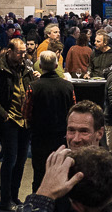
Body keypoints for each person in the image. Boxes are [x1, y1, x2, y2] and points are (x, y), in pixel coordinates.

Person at [0, 40, 31, 212]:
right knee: (10, 160)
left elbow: (27, 90)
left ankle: (14, 196)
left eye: (25, 52)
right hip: (9, 121)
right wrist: (4, 115)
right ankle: (5, 200)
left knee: (21, 160)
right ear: (9, 51)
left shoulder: (25, 68)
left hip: (25, 120)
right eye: (20, 52)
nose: (23, 55)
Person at [25, 51, 76, 196]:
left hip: (39, 136)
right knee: (61, 170)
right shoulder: (68, 86)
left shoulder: (33, 86)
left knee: (39, 173)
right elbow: (73, 110)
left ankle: (37, 205)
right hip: (61, 136)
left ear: (40, 66)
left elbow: (26, 112)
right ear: (56, 65)